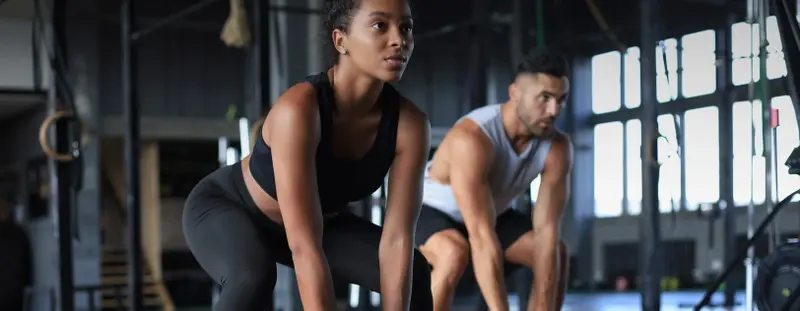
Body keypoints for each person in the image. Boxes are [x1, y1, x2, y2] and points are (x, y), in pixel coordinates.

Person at [182, 0, 434, 310]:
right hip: (230, 208)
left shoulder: (410, 126)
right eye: (380, 25)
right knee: (253, 277)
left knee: (417, 272)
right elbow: (305, 247)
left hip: (322, 225)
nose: (399, 39)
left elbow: (396, 241)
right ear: (341, 40)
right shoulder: (299, 109)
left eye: (406, 27)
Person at [415, 49, 572, 311]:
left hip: (493, 214)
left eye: (561, 99)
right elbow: (481, 235)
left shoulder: (557, 148)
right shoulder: (474, 137)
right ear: (515, 94)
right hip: (431, 211)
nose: (554, 110)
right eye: (544, 98)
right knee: (454, 254)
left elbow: (547, 232)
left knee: (556, 251)